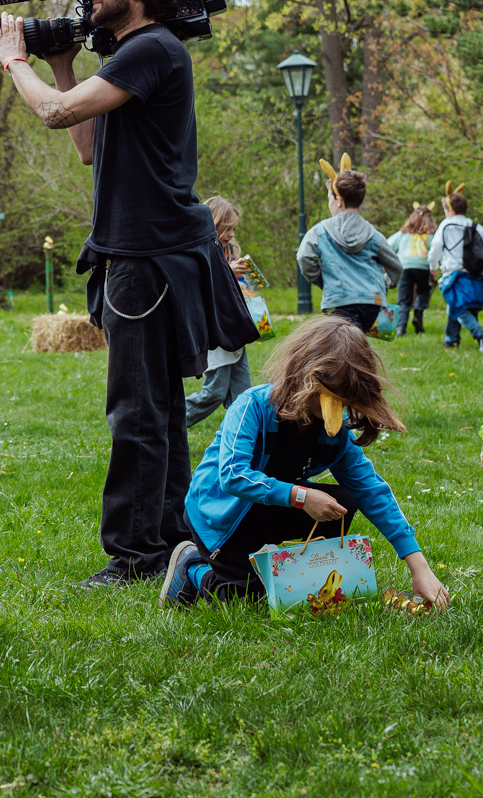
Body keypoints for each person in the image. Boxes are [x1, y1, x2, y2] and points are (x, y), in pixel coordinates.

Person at [0, 0, 258, 589]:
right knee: (158, 408)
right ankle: (170, 537)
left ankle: (135, 554)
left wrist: (15, 61)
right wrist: (61, 63)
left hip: (148, 256)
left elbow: (54, 114)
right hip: (152, 252)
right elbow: (87, 146)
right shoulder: (136, 58)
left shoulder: (151, 48)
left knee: (136, 410)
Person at [160, 315, 451, 609]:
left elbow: (371, 490)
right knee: (247, 601)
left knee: (343, 502)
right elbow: (233, 475)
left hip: (270, 507)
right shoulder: (253, 405)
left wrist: (419, 567)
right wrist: (302, 497)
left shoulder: (334, 432)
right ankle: (191, 566)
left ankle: (293, 570)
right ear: (302, 372)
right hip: (220, 515)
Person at [296, 168, 403, 335]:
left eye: (329, 198)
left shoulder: (320, 231)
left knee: (342, 344)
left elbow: (304, 257)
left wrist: (323, 281)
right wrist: (384, 283)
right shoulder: (373, 234)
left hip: (338, 302)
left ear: (338, 201)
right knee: (356, 341)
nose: (329, 203)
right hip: (371, 304)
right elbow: (396, 266)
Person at [184, 197, 255, 428]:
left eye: (234, 229)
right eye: (227, 229)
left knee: (243, 396)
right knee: (214, 392)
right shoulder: (200, 250)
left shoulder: (230, 250)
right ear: (213, 224)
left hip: (235, 331)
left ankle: (240, 437)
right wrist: (227, 272)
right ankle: (171, 423)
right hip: (218, 332)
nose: (231, 234)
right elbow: (200, 287)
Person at [428, 190, 483, 351]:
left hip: (454, 274)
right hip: (474, 274)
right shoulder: (476, 227)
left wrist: (433, 266)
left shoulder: (446, 225)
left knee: (459, 307)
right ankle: (451, 340)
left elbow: (436, 247)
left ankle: (481, 335)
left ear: (450, 210)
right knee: (461, 304)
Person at [387, 204, 436, 336]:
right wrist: (436, 266)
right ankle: (418, 316)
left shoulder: (403, 234)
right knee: (423, 291)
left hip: (404, 267)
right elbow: (436, 251)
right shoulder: (430, 236)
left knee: (404, 298)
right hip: (422, 267)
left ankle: (400, 328)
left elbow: (388, 245)